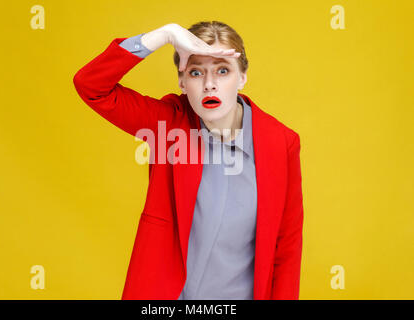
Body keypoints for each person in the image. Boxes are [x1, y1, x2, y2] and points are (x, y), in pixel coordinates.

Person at [73, 22, 304, 300]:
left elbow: (287, 247)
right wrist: (164, 35)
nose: (209, 84)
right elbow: (91, 86)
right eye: (196, 72)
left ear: (242, 77)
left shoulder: (281, 142)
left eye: (222, 70)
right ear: (182, 82)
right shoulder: (169, 125)